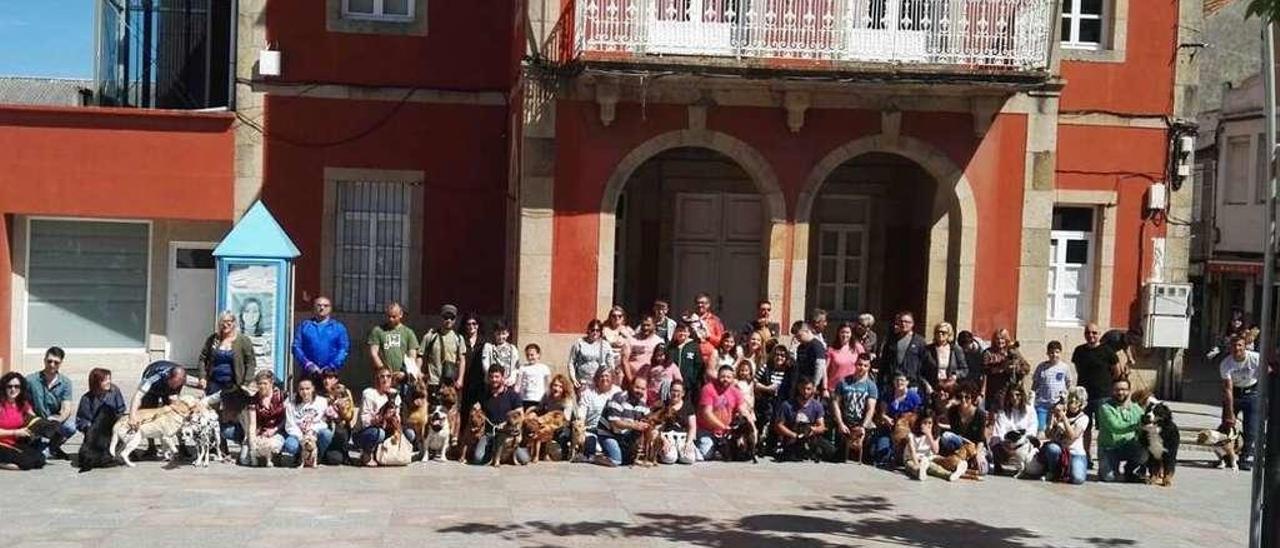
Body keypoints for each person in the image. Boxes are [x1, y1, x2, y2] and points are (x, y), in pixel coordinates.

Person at [200, 311, 256, 441]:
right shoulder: (213, 340)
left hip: (234, 385)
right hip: (215, 382)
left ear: (234, 323)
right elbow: (203, 358)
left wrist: (246, 382)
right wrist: (202, 376)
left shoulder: (243, 340)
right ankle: (215, 445)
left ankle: (242, 441)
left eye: (228, 322)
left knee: (235, 415)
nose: (225, 325)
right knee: (212, 415)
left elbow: (251, 362)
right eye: (222, 322)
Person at [1071, 322, 1122, 465]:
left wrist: (1109, 386)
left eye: (1094, 333)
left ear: (1099, 334)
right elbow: (1078, 369)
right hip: (1084, 397)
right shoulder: (1079, 351)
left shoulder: (1108, 351)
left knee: (1104, 428)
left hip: (1103, 396)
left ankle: (1103, 456)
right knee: (1084, 427)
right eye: (1088, 333)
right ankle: (1086, 455)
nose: (1091, 336)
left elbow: (1117, 372)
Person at [239, 370, 298, 467]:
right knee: (244, 460)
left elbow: (287, 418)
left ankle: (278, 455)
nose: (262, 386)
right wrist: (252, 441)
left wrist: (274, 430)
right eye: (259, 384)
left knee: (272, 446)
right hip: (261, 431)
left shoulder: (282, 396)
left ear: (271, 383)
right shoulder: (253, 400)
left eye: (265, 383)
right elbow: (252, 424)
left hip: (279, 429)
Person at [472, 365, 530, 465]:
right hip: (490, 435)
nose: (494, 380)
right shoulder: (483, 395)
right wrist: (476, 408)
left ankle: (505, 453)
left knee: (524, 460)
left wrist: (506, 425)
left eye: (497, 377)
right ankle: (496, 453)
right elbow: (477, 413)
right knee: (478, 459)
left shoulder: (513, 395)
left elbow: (521, 416)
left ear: (503, 377)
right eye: (491, 377)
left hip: (509, 435)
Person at [25, 347, 75, 458]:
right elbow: (24, 404)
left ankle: (51, 447)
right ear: (44, 360)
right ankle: (42, 446)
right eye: (49, 361)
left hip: (53, 421)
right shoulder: (30, 380)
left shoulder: (65, 383)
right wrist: (35, 420)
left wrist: (58, 420)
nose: (52, 365)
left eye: (56, 362)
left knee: (71, 426)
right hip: (35, 421)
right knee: (37, 452)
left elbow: (66, 408)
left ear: (61, 363)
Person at [695, 365, 753, 461]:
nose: (725, 379)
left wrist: (752, 427)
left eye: (728, 377)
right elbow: (707, 414)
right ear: (718, 376)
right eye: (723, 376)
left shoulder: (736, 391)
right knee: (705, 454)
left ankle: (720, 448)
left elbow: (744, 411)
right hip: (708, 430)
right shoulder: (708, 389)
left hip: (728, 432)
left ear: (733, 378)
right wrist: (723, 427)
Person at [291, 296, 350, 388]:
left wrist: (332, 365)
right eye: (319, 305)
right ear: (314, 308)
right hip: (309, 373)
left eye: (326, 306)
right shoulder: (305, 326)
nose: (322, 308)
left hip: (330, 375)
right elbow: (296, 347)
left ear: (330, 308)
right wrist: (308, 364)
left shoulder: (338, 328)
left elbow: (343, 349)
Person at [1221, 335, 1261, 469]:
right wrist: (1230, 412)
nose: (1237, 348)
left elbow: (1267, 374)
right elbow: (1228, 389)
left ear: (1245, 347)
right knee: (1227, 427)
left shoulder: (1255, 358)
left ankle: (1245, 458)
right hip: (1235, 393)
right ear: (1230, 348)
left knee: (1251, 429)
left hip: (1252, 393)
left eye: (1239, 345)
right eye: (1234, 346)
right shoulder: (1226, 364)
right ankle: (1227, 456)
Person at [595, 375, 653, 466]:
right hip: (608, 433)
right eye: (637, 387)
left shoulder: (643, 406)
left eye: (642, 389)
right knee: (616, 461)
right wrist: (635, 425)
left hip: (623, 436)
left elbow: (650, 421)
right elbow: (614, 423)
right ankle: (592, 457)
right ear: (631, 386)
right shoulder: (618, 398)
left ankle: (611, 452)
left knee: (627, 461)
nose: (639, 391)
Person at [129, 360, 205, 429]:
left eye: (178, 385)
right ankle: (151, 441)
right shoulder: (152, 378)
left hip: (169, 387)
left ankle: (172, 434)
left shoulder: (182, 378)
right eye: (174, 384)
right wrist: (132, 416)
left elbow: (196, 384)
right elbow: (137, 396)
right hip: (153, 388)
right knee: (149, 411)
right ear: (168, 377)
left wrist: (202, 387)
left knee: (173, 410)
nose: (175, 386)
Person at [869, 373, 923, 466]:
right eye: (897, 380)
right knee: (881, 453)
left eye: (902, 380)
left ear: (907, 382)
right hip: (888, 427)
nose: (899, 382)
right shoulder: (888, 394)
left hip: (906, 429)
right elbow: (882, 413)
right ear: (893, 382)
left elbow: (918, 416)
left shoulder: (914, 397)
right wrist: (886, 418)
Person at [1097, 378, 1146, 482]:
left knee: (1145, 450)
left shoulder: (1136, 409)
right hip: (1109, 449)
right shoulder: (1105, 407)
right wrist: (1137, 425)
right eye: (1117, 389)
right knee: (1109, 478)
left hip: (1129, 446)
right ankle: (1105, 468)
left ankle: (1130, 470)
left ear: (1129, 391)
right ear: (1112, 390)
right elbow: (1116, 428)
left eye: (1124, 389)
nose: (1120, 392)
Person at [355, 367, 405, 466]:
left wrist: (395, 418)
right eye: (382, 376)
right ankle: (366, 454)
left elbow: (398, 417)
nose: (385, 379)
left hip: (388, 427)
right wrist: (382, 418)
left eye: (388, 376)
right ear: (377, 379)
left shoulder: (395, 395)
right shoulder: (369, 393)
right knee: (379, 433)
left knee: (409, 434)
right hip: (365, 432)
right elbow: (365, 421)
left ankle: (387, 455)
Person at [773, 376, 831, 462]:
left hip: (810, 437)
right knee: (791, 455)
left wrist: (811, 430)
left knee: (833, 453)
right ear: (798, 388)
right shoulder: (787, 405)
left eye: (808, 389)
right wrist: (794, 435)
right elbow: (778, 425)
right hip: (792, 438)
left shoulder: (817, 405)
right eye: (803, 388)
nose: (805, 392)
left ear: (813, 389)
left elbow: (822, 427)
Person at [1039, 386, 1090, 484]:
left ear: (1081, 404)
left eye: (1076, 402)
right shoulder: (1060, 414)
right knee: (1052, 448)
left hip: (1076, 453)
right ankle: (1053, 471)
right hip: (1060, 450)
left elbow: (1072, 436)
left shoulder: (1084, 418)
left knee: (1078, 479)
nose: (1072, 404)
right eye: (1070, 401)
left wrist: (1064, 419)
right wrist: (1052, 419)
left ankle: (1066, 471)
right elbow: (1048, 435)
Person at [833, 354, 879, 463]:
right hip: (845, 424)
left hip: (861, 424)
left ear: (869, 367)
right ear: (855, 364)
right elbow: (835, 403)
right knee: (836, 456)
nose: (862, 367)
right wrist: (840, 424)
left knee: (868, 457)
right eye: (859, 364)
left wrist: (863, 427)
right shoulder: (843, 382)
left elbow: (870, 409)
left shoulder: (871, 386)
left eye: (865, 365)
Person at [939, 385, 990, 477]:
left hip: (975, 446)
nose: (963, 400)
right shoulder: (953, 411)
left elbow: (981, 439)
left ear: (973, 398)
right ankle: (961, 462)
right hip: (960, 444)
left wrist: (977, 455)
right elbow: (954, 432)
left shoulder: (980, 414)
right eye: (960, 397)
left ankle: (963, 464)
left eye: (967, 397)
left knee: (983, 470)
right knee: (946, 437)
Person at [421, 304, 468, 402]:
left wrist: (460, 379)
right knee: (433, 413)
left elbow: (462, 360)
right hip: (433, 382)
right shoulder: (430, 337)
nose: (448, 320)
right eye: (446, 317)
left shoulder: (459, 338)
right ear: (441, 318)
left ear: (455, 319)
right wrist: (419, 373)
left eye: (452, 318)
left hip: (450, 383)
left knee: (451, 414)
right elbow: (420, 355)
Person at [989, 385, 1038, 475]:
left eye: (1017, 395)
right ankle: (999, 466)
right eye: (1011, 395)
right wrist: (1006, 444)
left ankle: (1022, 467)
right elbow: (1000, 430)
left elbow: (1032, 430)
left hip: (1023, 446)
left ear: (1022, 395)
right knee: (994, 441)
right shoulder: (1003, 412)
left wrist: (1020, 444)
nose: (1014, 398)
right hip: (1007, 445)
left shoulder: (1030, 410)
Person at [903, 412, 966, 481]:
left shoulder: (934, 435)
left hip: (927, 459)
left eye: (930, 423)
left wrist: (929, 435)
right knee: (912, 466)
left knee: (935, 467)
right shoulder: (911, 435)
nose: (927, 425)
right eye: (924, 423)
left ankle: (950, 475)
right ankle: (919, 472)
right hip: (912, 459)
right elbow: (912, 452)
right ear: (920, 423)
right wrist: (917, 464)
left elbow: (936, 451)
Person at [755, 345, 795, 453]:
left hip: (782, 402)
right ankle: (762, 445)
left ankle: (776, 445)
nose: (779, 357)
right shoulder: (766, 367)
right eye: (777, 355)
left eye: (782, 355)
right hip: (767, 401)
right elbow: (753, 382)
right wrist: (766, 388)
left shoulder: (789, 371)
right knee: (766, 423)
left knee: (779, 422)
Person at [0, 372, 44, 470]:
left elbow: (34, 419)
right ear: (4, 387)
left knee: (40, 460)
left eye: (17, 386)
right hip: (1, 442)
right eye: (9, 386)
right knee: (26, 464)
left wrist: (36, 429)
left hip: (14, 443)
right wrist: (16, 432)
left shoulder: (22, 403)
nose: (13, 389)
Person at [367, 302, 420, 381]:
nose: (391, 319)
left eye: (394, 317)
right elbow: (374, 353)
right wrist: (384, 371)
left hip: (403, 378)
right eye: (389, 316)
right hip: (383, 378)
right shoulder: (378, 331)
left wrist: (405, 372)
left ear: (401, 314)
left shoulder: (408, 332)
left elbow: (412, 356)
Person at [876, 311, 927, 394]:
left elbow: (924, 364)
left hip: (912, 384)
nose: (903, 324)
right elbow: (884, 362)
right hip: (893, 384)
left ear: (912, 324)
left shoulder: (920, 341)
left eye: (907, 322)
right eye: (901, 321)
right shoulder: (891, 341)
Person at [286, 377, 333, 464]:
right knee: (290, 446)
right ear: (298, 390)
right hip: (298, 435)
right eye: (301, 389)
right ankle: (300, 457)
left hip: (314, 434)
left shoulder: (322, 402)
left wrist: (312, 430)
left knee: (327, 434)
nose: (305, 392)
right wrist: (301, 438)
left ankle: (317, 457)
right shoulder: (291, 405)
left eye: (307, 389)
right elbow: (290, 425)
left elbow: (324, 423)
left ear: (313, 388)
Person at [577, 367, 621, 460]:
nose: (604, 378)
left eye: (607, 376)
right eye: (601, 376)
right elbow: (581, 414)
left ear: (612, 378)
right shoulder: (588, 393)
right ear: (597, 379)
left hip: (609, 432)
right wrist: (580, 431)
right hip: (591, 429)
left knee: (615, 456)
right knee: (590, 445)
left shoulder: (617, 392)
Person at [980, 328, 1029, 411]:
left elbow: (1026, 368)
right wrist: (1002, 368)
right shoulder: (988, 353)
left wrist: (1016, 368)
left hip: (1011, 391)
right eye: (997, 339)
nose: (1000, 341)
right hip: (995, 391)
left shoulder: (1013, 351)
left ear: (1006, 339)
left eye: (1002, 338)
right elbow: (984, 370)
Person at [1031, 341, 1073, 436]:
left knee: (1055, 431)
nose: (1054, 355)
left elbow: (1068, 384)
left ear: (1060, 353)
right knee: (1041, 430)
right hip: (1042, 404)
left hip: (1057, 405)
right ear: (1047, 353)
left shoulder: (1064, 367)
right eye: (1051, 352)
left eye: (1057, 352)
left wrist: (1065, 400)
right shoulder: (1042, 367)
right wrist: (1031, 397)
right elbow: (1035, 383)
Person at [534, 374, 579, 460]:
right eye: (555, 385)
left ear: (564, 389)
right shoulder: (547, 395)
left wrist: (551, 426)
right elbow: (539, 409)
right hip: (547, 423)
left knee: (561, 440)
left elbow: (566, 419)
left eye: (560, 387)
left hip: (562, 426)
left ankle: (564, 451)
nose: (556, 389)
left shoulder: (567, 400)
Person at [656, 380, 697, 465]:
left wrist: (688, 443)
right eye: (673, 390)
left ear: (683, 393)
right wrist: (663, 441)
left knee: (689, 459)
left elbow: (692, 427)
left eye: (678, 391)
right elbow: (655, 426)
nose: (675, 394)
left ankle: (679, 453)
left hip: (682, 438)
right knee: (669, 458)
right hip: (667, 437)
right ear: (670, 391)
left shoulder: (688, 406)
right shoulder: (663, 405)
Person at [75, 368, 126, 435]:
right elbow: (82, 420)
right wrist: (89, 428)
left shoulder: (114, 391)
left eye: (109, 379)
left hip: (113, 427)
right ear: (96, 382)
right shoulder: (86, 399)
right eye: (105, 380)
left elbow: (121, 409)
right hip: (95, 431)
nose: (108, 382)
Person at [568, 319, 613, 391]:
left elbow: (610, 364)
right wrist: (573, 379)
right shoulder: (579, 343)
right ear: (588, 330)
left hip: (599, 382)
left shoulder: (605, 345)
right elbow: (571, 362)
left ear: (600, 332)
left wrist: (608, 380)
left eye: (597, 330)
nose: (595, 333)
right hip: (582, 382)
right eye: (593, 330)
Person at [923, 322, 966, 397]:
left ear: (949, 334)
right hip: (933, 387)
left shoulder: (956, 349)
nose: (940, 334)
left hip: (950, 386)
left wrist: (956, 375)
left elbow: (965, 369)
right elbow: (921, 371)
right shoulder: (928, 350)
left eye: (943, 332)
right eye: (938, 332)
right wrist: (927, 385)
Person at [623, 315, 664, 387]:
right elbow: (624, 361)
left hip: (651, 379)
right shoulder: (631, 339)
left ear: (654, 326)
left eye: (648, 325)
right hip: (632, 377)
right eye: (643, 325)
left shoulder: (659, 342)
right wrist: (631, 380)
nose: (645, 328)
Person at [686, 292, 726, 366]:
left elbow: (721, 341)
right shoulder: (688, 319)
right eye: (698, 303)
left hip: (708, 358)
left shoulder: (715, 320)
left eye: (703, 303)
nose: (700, 305)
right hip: (691, 356)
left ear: (708, 305)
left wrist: (708, 336)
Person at [825, 323, 863, 395]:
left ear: (851, 334)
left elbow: (865, 366)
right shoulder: (831, 349)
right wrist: (824, 388)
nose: (845, 335)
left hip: (852, 388)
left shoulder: (857, 348)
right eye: (842, 332)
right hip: (834, 389)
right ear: (838, 333)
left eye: (847, 332)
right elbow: (825, 370)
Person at [669, 323, 706, 398]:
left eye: (684, 331)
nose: (682, 333)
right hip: (672, 384)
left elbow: (699, 365)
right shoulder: (670, 347)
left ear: (688, 333)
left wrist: (692, 380)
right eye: (679, 331)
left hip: (689, 385)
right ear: (675, 332)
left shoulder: (694, 347)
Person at [512, 344, 552, 409]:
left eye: (532, 355)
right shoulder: (522, 368)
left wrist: (548, 399)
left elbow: (548, 385)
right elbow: (518, 384)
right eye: (527, 355)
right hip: (525, 399)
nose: (530, 357)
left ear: (538, 355)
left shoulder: (544, 368)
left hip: (539, 400)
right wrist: (515, 396)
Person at [793, 323, 828, 392]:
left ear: (807, 331)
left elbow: (820, 366)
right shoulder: (800, 347)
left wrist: (815, 384)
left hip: (811, 386)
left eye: (799, 336)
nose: (798, 339)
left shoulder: (817, 346)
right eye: (796, 337)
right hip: (801, 384)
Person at [602, 305, 634, 370]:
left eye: (620, 316)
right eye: (614, 316)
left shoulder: (628, 330)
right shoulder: (604, 330)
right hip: (607, 361)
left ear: (623, 317)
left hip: (622, 363)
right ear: (610, 317)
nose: (617, 318)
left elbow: (634, 345)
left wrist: (627, 336)